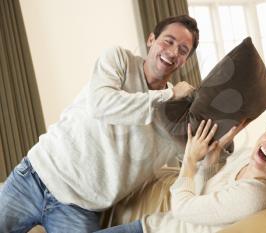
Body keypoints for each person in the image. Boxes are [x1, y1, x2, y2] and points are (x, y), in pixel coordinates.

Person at [0, 15, 199, 232]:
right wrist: (168, 95)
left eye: (182, 50)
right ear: (151, 39)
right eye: (168, 41)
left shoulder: (174, 112)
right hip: (33, 177)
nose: (172, 52)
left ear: (185, 61)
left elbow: (197, 148)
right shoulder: (119, 59)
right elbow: (102, 105)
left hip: (79, 209)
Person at [95, 115, 266, 233]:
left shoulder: (255, 195)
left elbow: (182, 207)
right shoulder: (245, 158)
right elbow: (202, 194)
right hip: (151, 224)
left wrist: (192, 160)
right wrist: (210, 164)